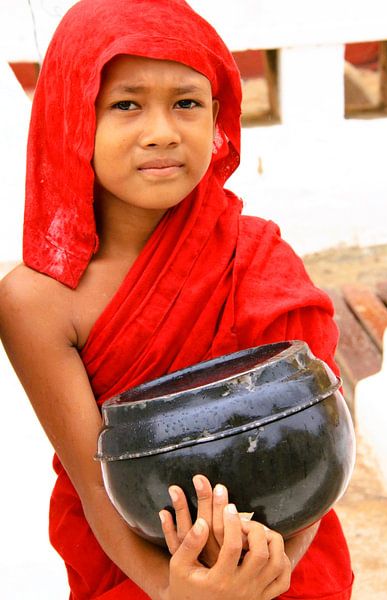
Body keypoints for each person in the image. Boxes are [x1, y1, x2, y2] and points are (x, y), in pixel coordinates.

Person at [0, 0, 354, 598]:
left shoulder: (254, 252)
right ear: (71, 117)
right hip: (140, 565)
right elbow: (94, 484)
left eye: (187, 103)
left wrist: (270, 570)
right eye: (126, 104)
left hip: (289, 553)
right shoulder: (39, 301)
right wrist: (177, 592)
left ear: (217, 115)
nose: (162, 132)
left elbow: (320, 432)